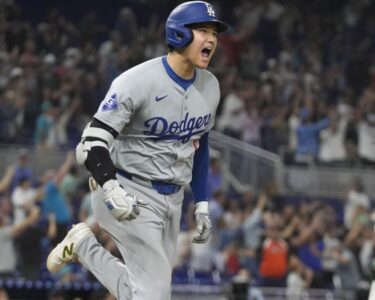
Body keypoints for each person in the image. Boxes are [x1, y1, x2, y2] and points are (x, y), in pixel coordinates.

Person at [47, 2, 229, 300]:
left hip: (173, 199)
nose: (211, 39)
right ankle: (84, 245)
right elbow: (90, 144)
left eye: (214, 33)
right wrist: (110, 186)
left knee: (142, 293)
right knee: (154, 296)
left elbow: (200, 144)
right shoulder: (136, 82)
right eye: (202, 30)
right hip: (129, 190)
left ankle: (82, 244)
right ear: (179, 34)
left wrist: (203, 202)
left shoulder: (210, 86)